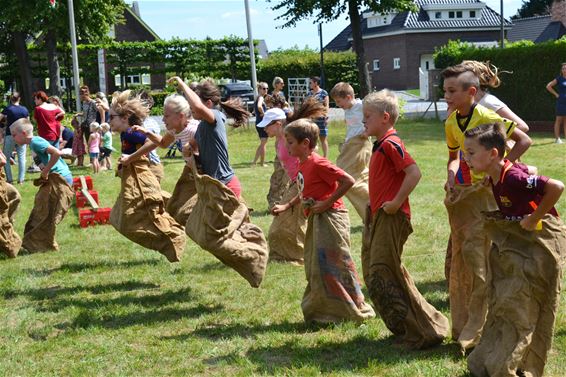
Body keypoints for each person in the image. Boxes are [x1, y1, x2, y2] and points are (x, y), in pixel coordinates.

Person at [463, 123, 565, 377]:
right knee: (507, 301)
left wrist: (534, 217)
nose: (467, 158)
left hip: (539, 243)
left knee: (524, 305)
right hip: (518, 244)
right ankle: (501, 356)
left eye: (472, 153)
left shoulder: (512, 178)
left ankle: (519, 362)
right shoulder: (497, 176)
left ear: (493, 154)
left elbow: (556, 186)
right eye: (466, 153)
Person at [442, 64, 532, 351]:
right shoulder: (451, 122)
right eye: (444, 91)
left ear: (471, 92)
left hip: (493, 195)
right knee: (469, 258)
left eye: (452, 91)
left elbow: (524, 139)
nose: (446, 96)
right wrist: (452, 177)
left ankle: (497, 324)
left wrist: (501, 168)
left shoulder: (488, 117)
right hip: (469, 196)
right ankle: (468, 324)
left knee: (494, 258)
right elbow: (454, 158)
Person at [361, 89, 449, 349]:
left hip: (392, 216)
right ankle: (419, 326)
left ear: (385, 117)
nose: (363, 121)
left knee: (384, 271)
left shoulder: (391, 143)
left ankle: (420, 333)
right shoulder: (381, 144)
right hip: (380, 215)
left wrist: (396, 202)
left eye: (367, 117)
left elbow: (414, 172)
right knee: (382, 270)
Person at [272, 118, 375, 324]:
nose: (286, 146)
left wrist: (327, 203)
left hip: (332, 218)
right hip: (317, 218)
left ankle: (354, 305)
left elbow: (348, 180)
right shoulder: (302, 163)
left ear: (305, 143)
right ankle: (326, 310)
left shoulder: (319, 163)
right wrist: (287, 205)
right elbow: (304, 191)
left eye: (290, 142)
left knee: (337, 262)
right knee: (317, 264)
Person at [260, 100, 326, 264]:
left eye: (267, 125)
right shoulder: (280, 139)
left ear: (278, 123)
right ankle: (285, 254)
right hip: (295, 182)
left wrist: (306, 181)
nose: (264, 129)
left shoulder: (292, 137)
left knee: (294, 221)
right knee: (286, 220)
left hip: (303, 182)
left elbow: (309, 154)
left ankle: (299, 256)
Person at [168, 76, 248, 198]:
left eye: (192, 104)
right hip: (214, 186)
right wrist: (188, 147)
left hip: (226, 186)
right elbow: (193, 145)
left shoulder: (215, 117)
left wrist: (182, 84)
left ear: (209, 104)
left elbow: (197, 107)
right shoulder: (201, 126)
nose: (191, 108)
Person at [330, 82, 372, 222]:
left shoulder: (361, 106)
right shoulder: (347, 110)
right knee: (359, 177)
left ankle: (372, 210)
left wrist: (367, 132)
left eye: (339, 101)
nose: (338, 105)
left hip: (360, 143)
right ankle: (370, 213)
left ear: (348, 97)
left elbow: (374, 116)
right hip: (351, 144)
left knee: (347, 178)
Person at [120, 94, 199, 166]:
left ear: (181, 116)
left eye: (167, 116)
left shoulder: (193, 130)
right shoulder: (174, 130)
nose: (163, 120)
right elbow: (163, 143)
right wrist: (146, 132)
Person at [11, 118, 72, 185]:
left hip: (60, 176)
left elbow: (57, 153)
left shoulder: (35, 142)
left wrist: (45, 171)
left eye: (14, 135)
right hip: (55, 177)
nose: (13, 138)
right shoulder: (32, 143)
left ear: (24, 133)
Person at [0, 92, 29, 184]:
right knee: (22, 157)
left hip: (10, 135)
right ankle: (21, 180)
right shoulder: (24, 109)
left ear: (11, 99)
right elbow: (27, 123)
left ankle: (9, 179)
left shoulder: (8, 109)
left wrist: (3, 125)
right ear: (19, 98)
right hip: (22, 135)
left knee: (6, 158)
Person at [308, 76, 330, 157]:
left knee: (323, 139)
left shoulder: (324, 93)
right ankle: (315, 156)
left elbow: (326, 105)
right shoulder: (309, 94)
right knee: (313, 139)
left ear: (315, 83)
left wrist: (326, 116)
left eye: (311, 82)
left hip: (321, 119)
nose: (309, 84)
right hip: (312, 119)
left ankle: (325, 157)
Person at [545, 62, 566, 144]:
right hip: (561, 102)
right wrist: (556, 95)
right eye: (563, 68)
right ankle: (557, 139)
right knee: (559, 120)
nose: (565, 70)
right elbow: (548, 86)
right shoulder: (559, 78)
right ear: (561, 70)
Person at [252, 82, 269, 166]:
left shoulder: (258, 97)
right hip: (262, 123)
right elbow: (259, 106)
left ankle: (254, 162)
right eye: (263, 88)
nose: (265, 90)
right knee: (264, 143)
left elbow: (255, 110)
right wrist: (264, 113)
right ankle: (262, 163)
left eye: (267, 88)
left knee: (262, 143)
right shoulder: (261, 98)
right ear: (259, 89)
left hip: (258, 122)